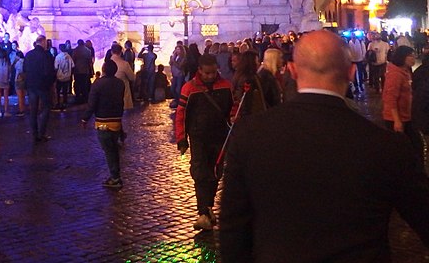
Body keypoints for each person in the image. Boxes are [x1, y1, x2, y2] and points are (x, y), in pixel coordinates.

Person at [220, 30, 429, 262]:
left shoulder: (250, 136)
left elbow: (232, 230)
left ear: (292, 70)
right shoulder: (388, 146)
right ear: (351, 73)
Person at [175, 54, 234, 231]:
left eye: (213, 72)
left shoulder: (225, 86)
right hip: (199, 137)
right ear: (199, 70)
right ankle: (203, 212)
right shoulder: (189, 88)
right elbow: (181, 115)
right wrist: (181, 138)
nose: (210, 76)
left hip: (219, 136)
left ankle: (207, 209)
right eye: (207, 73)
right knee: (200, 173)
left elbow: (232, 108)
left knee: (215, 172)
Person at [80, 59, 126, 189]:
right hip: (116, 121)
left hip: (103, 121)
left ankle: (115, 177)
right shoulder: (120, 83)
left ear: (104, 70)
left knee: (109, 150)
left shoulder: (98, 84)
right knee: (114, 149)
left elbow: (92, 104)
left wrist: (85, 118)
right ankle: (115, 175)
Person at [383, 45, 424, 166]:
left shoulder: (405, 72)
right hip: (396, 118)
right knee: (404, 147)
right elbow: (390, 98)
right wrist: (397, 120)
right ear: (402, 57)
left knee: (415, 145)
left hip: (406, 116)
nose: (413, 58)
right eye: (410, 56)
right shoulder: (395, 74)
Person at [23, 35, 56, 143]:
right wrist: (50, 83)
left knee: (33, 110)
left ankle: (34, 133)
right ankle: (42, 133)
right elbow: (49, 71)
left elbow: (24, 70)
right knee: (46, 108)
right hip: (43, 86)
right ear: (43, 42)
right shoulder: (46, 55)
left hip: (31, 86)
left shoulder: (28, 55)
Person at [72, 39, 94, 104]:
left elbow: (73, 60)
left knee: (77, 84)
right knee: (85, 85)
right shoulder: (88, 51)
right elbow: (90, 61)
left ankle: (78, 98)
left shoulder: (75, 50)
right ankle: (85, 98)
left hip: (77, 70)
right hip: (85, 70)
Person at [54, 43, 74, 110]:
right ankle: (65, 102)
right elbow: (73, 65)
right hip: (67, 76)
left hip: (60, 76)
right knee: (65, 91)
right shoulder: (69, 56)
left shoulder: (58, 57)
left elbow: (56, 67)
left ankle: (58, 103)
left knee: (58, 90)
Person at [169, 43, 187, 108]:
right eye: (176, 49)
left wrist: (174, 61)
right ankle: (177, 100)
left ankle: (180, 102)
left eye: (179, 49)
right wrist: (171, 59)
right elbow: (171, 63)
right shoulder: (175, 57)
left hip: (180, 75)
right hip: (174, 75)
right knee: (172, 89)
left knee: (178, 89)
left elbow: (180, 66)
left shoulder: (183, 58)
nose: (177, 51)